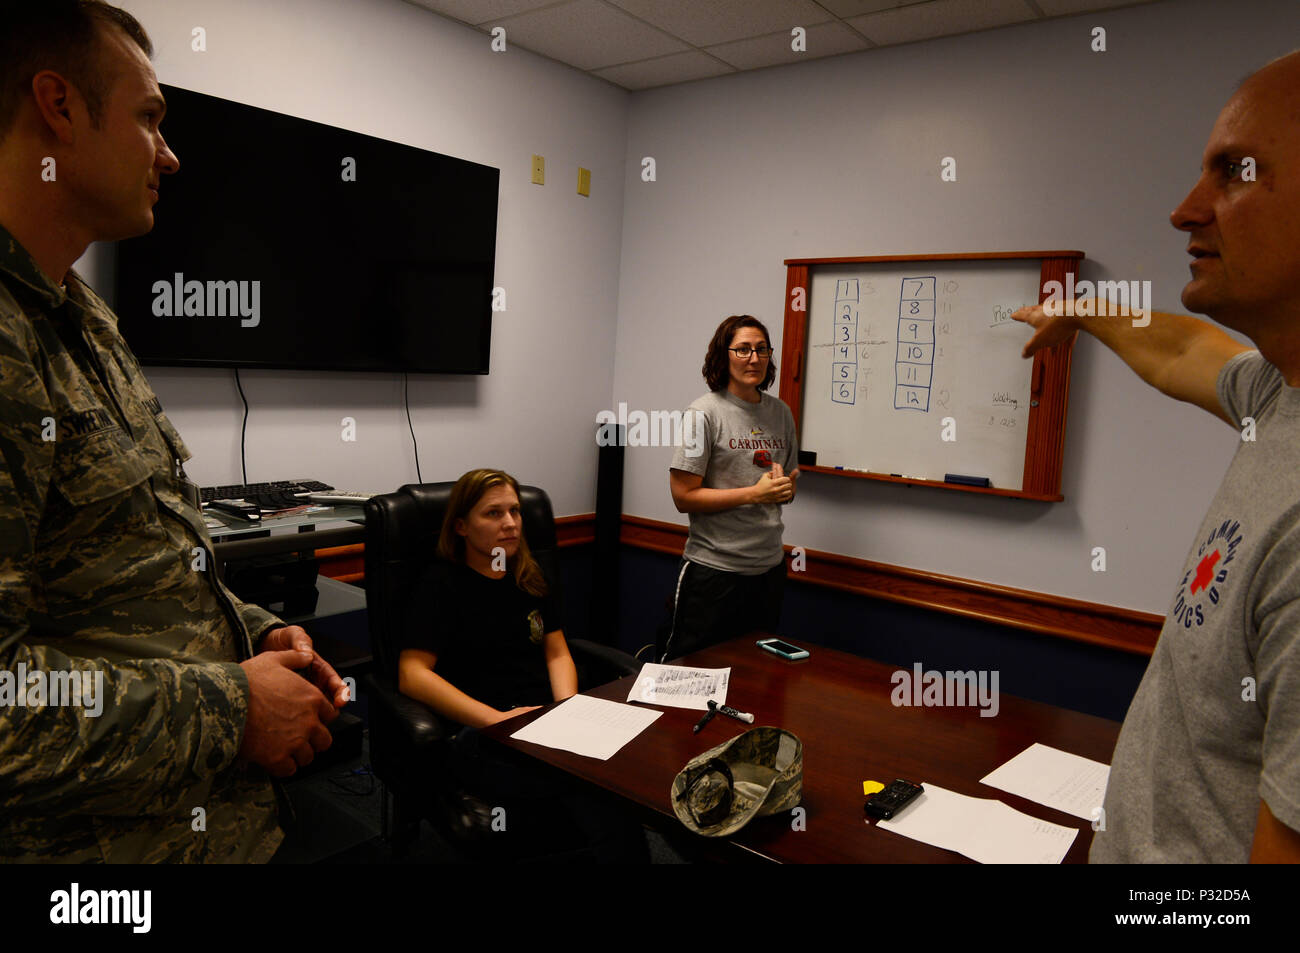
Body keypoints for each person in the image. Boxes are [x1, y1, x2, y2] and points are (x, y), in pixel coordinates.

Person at [0, 0, 348, 863]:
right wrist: (236, 707)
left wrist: (252, 627)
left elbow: (124, 573)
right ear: (60, 104)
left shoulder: (88, 320)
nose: (170, 153)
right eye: (149, 118)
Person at [1013, 50, 1300, 862]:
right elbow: (1183, 352)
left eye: (1234, 173)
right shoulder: (1279, 398)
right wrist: (1084, 308)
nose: (1185, 209)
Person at [399, 468, 645, 861]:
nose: (511, 523)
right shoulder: (441, 584)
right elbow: (412, 675)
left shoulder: (529, 575)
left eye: (514, 511)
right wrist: (496, 720)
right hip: (482, 729)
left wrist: (569, 708)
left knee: (614, 787)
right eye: (493, 514)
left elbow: (557, 652)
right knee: (590, 792)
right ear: (461, 526)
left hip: (545, 720)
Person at [664, 315, 799, 660]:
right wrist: (754, 493)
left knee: (755, 675)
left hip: (768, 571)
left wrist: (783, 489)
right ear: (723, 356)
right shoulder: (702, 414)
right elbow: (683, 497)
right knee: (689, 674)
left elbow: (784, 485)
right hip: (713, 573)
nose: (753, 358)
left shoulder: (781, 413)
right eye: (742, 350)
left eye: (761, 350)